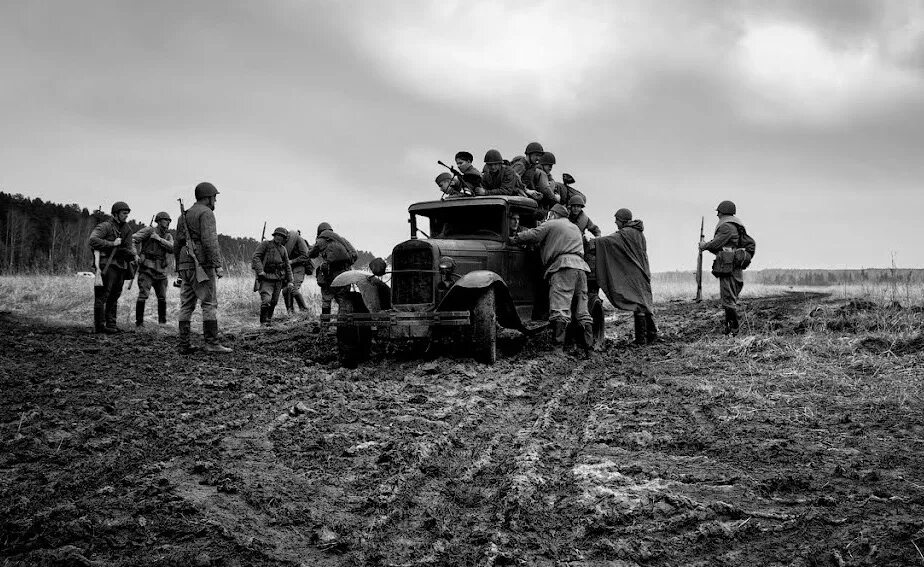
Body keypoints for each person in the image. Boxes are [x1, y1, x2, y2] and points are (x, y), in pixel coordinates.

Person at [510, 203, 593, 357]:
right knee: (582, 309)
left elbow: (533, 235)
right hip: (581, 268)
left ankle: (558, 349)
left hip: (563, 267)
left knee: (560, 307)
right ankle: (589, 348)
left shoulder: (552, 223)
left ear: (553, 214)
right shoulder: (574, 227)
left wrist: (515, 239)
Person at [174, 181, 232, 353]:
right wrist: (217, 265)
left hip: (185, 263)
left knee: (186, 305)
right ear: (208, 198)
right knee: (209, 303)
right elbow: (209, 241)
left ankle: (183, 344)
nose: (215, 201)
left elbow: (177, 243)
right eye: (214, 197)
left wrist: (179, 266)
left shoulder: (183, 215)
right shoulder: (206, 213)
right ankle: (212, 343)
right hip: (201, 264)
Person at [592, 208, 657, 345]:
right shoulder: (638, 233)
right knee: (644, 303)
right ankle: (651, 335)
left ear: (622, 220)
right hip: (643, 270)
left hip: (637, 272)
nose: (615, 222)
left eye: (617, 219)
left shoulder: (626, 233)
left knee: (639, 304)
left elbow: (610, 241)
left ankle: (641, 340)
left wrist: (594, 241)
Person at [699, 200, 749, 335]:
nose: (717, 215)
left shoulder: (726, 226)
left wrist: (704, 245)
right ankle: (729, 328)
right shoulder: (735, 224)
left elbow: (716, 244)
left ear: (723, 212)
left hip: (728, 265)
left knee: (728, 298)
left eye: (719, 212)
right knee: (729, 297)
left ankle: (734, 330)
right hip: (732, 263)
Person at [88, 201, 137, 333]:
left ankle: (111, 325)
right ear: (115, 214)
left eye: (127, 213)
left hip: (121, 266)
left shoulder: (127, 229)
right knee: (102, 296)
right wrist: (112, 243)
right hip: (106, 265)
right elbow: (93, 240)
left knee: (114, 296)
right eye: (124, 213)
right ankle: (99, 326)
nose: (126, 216)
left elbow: (128, 248)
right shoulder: (105, 226)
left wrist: (132, 254)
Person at [131, 211, 174, 327]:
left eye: (169, 221)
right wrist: (135, 255)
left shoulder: (168, 236)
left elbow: (172, 248)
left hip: (161, 271)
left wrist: (159, 239)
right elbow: (133, 240)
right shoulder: (149, 230)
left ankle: (162, 323)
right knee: (143, 295)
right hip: (147, 269)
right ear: (159, 221)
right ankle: (139, 324)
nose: (168, 223)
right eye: (166, 220)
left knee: (162, 297)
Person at [309, 222, 358, 317]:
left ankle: (325, 326)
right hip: (344, 276)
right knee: (343, 300)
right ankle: (342, 326)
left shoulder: (320, 241)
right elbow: (355, 255)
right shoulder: (342, 240)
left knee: (326, 300)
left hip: (329, 276)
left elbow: (311, 254)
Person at [252, 227, 295, 325]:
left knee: (274, 302)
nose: (279, 238)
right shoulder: (265, 245)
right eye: (277, 235)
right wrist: (260, 271)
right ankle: (263, 323)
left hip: (278, 279)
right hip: (266, 278)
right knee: (266, 300)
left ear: (284, 238)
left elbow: (287, 265)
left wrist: (290, 281)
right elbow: (256, 257)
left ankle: (268, 320)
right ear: (274, 235)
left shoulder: (283, 249)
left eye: (282, 236)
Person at [283, 228, 311, 314]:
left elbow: (306, 256)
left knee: (293, 288)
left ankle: (304, 310)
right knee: (285, 290)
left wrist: (292, 261)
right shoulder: (284, 243)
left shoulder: (299, 240)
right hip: (288, 268)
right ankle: (290, 313)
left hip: (299, 266)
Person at [522, 143, 556, 209]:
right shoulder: (539, 172)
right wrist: (555, 197)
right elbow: (546, 189)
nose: (550, 168)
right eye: (548, 165)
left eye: (551, 166)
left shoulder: (533, 168)